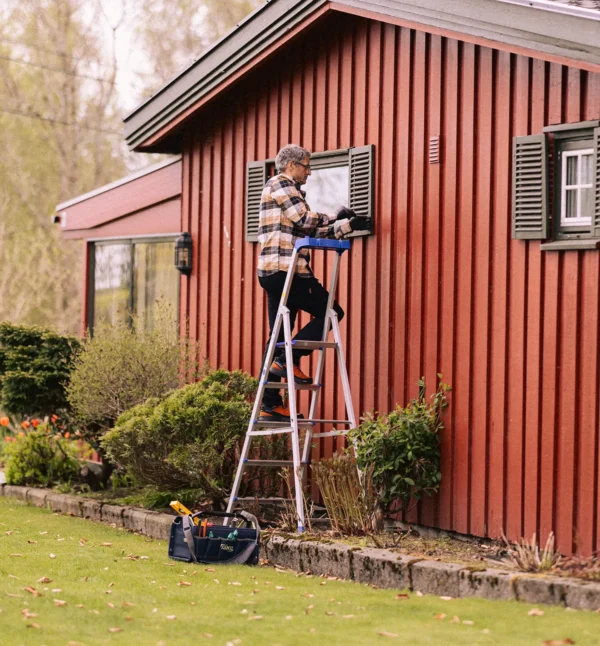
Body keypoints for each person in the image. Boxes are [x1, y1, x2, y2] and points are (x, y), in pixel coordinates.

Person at [257, 143, 370, 421]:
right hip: (288, 272)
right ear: (291, 165)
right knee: (332, 312)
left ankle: (269, 402)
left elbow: (313, 226)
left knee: (276, 338)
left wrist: (348, 225)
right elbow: (306, 219)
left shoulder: (290, 191)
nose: (309, 171)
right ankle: (288, 360)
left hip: (277, 272)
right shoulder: (280, 184)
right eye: (306, 166)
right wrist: (336, 215)